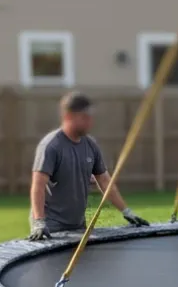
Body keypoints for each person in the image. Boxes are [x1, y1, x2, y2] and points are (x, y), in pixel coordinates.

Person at [29, 92, 148, 241]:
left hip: (77, 224)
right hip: (50, 226)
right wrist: (39, 222)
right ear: (68, 117)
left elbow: (104, 181)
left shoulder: (90, 145)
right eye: (84, 117)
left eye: (90, 117)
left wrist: (127, 212)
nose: (89, 122)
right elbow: (38, 186)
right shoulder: (51, 146)